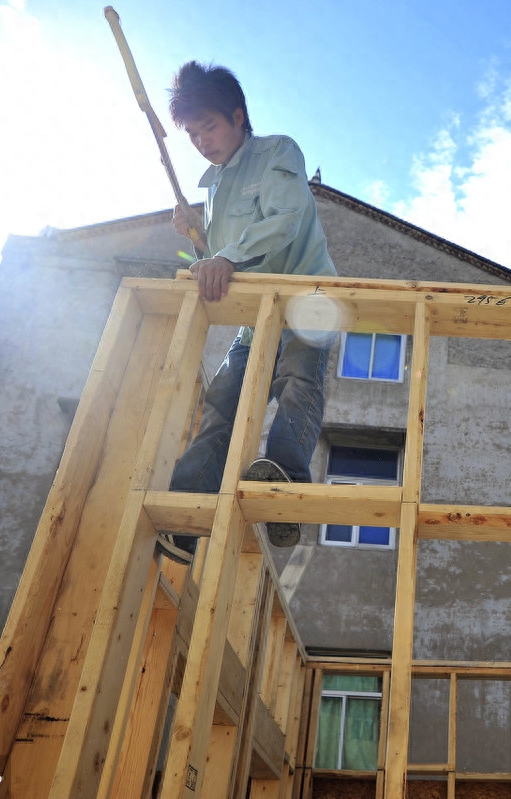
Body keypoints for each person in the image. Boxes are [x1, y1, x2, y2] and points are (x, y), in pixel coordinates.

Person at [156, 61, 336, 564]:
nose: (201, 140)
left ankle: (282, 488)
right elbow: (218, 261)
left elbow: (283, 219)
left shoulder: (278, 151)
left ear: (238, 116)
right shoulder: (212, 187)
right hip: (255, 315)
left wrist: (222, 254)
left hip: (308, 297)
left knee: (299, 383)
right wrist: (196, 236)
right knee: (221, 400)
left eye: (209, 126)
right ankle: (186, 513)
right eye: (192, 133)